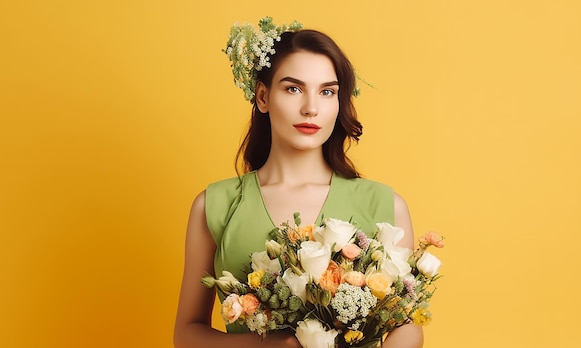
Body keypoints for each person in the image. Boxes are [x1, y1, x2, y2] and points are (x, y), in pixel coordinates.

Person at [174, 18, 424, 348]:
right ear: (263, 97)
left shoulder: (384, 205)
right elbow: (187, 333)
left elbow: (407, 324)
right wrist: (270, 345)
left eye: (327, 91)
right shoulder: (215, 204)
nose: (311, 108)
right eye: (293, 88)